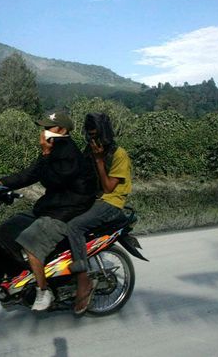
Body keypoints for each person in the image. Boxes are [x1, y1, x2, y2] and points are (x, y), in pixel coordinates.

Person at [0, 110, 98, 311]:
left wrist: (44, 153)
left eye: (48, 128)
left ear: (61, 130)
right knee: (9, 228)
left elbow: (54, 179)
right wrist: (1, 183)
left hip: (69, 209)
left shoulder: (68, 152)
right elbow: (32, 173)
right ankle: (25, 278)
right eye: (43, 128)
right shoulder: (54, 147)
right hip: (55, 205)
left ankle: (44, 292)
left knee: (30, 242)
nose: (43, 132)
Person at [67, 112, 132, 315]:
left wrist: (99, 161)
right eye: (90, 136)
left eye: (96, 135)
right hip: (94, 200)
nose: (93, 140)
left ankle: (83, 280)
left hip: (111, 202)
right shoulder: (90, 150)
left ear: (106, 134)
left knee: (74, 226)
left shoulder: (118, 154)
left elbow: (109, 187)